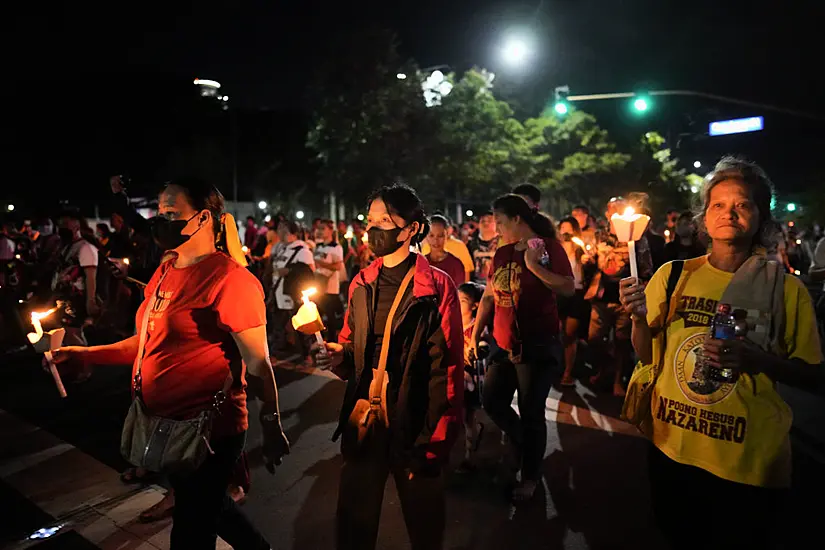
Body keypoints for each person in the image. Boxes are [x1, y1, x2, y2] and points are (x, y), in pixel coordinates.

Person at [53, 178, 289, 550]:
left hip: (210, 432)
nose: (160, 220)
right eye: (160, 212)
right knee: (210, 505)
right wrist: (86, 354)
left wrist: (272, 425)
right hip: (165, 427)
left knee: (191, 530)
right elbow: (145, 343)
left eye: (171, 213)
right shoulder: (165, 271)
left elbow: (258, 363)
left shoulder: (232, 281)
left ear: (203, 218)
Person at [619, 157, 824, 550]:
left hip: (745, 461)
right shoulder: (673, 275)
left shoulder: (786, 290)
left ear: (760, 216)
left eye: (742, 204)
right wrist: (638, 319)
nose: (728, 212)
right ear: (704, 217)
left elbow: (814, 376)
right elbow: (646, 356)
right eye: (717, 204)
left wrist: (756, 360)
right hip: (672, 447)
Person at [314, 183, 463, 550]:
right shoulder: (361, 282)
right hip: (365, 419)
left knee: (423, 525)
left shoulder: (436, 287)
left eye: (386, 220)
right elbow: (353, 351)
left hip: (415, 425)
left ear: (411, 229)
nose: (375, 228)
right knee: (354, 524)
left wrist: (434, 441)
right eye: (372, 219)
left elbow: (446, 370)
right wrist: (337, 356)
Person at [473, 194, 574, 501]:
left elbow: (568, 287)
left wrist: (534, 266)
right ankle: (524, 444)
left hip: (536, 345)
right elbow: (490, 296)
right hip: (503, 345)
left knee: (531, 412)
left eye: (500, 222)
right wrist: (476, 332)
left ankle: (530, 475)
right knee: (491, 400)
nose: (496, 228)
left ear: (518, 219)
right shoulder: (501, 253)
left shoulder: (548, 248)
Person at [585, 197, 654, 396]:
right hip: (602, 296)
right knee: (594, 338)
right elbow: (591, 261)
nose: (616, 211)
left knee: (622, 342)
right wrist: (586, 259)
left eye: (621, 208)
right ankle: (604, 367)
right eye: (612, 209)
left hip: (625, 299)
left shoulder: (638, 236)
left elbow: (646, 267)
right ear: (608, 214)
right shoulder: (599, 235)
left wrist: (643, 287)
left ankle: (617, 381)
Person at [52, 210, 100, 347]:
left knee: (73, 334)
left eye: (66, 224)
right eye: (60, 224)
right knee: (66, 334)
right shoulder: (66, 247)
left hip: (77, 299)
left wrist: (90, 301)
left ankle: (85, 366)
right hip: (66, 299)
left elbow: (91, 276)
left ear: (76, 225)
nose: (62, 227)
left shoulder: (85, 248)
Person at [268, 220, 315, 355]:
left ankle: (307, 352)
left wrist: (289, 270)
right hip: (279, 292)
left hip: (292, 293)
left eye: (282, 228)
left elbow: (309, 271)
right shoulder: (281, 248)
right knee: (279, 323)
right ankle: (282, 347)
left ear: (291, 232)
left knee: (300, 323)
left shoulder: (302, 250)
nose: (278, 231)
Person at [557, 217, 591, 387]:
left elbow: (589, 271)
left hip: (576, 294)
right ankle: (556, 368)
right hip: (558, 293)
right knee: (558, 332)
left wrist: (587, 261)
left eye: (569, 229)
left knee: (570, 334)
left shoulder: (580, 251)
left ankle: (568, 372)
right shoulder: (554, 250)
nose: (565, 233)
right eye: (562, 228)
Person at [456, 281, 486, 472]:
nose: (458, 304)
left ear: (475, 305)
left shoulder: (477, 328)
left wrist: (478, 350)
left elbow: (483, 345)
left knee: (468, 416)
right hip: (453, 376)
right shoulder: (449, 323)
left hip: (470, 380)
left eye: (463, 300)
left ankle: (470, 456)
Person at [313, 220, 345, 342]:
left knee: (330, 316)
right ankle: (319, 340)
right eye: (319, 228)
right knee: (317, 314)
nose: (319, 231)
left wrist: (320, 264)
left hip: (330, 287)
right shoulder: (319, 246)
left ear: (331, 230)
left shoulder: (336, 247)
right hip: (318, 285)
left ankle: (332, 341)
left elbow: (338, 266)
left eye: (323, 228)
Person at [425, 215, 466, 286]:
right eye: (431, 235)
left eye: (440, 236)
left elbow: (459, 292)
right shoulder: (421, 263)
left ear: (447, 235)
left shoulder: (455, 264)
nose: (436, 240)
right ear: (426, 236)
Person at [466, 211, 498, 283]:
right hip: (477, 283)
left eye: (489, 221)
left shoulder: (504, 240)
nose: (486, 223)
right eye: (483, 221)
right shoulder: (472, 242)